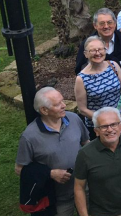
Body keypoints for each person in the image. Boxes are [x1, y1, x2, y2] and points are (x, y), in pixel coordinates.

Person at [16, 88, 89, 216]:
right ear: (44, 110)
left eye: (62, 101)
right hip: (57, 199)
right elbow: (20, 169)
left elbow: (86, 143)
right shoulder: (29, 136)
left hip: (84, 189)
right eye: (57, 104)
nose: (64, 105)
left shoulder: (74, 119)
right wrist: (50, 173)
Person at [74, 107, 121, 216]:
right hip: (102, 212)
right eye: (104, 126)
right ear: (96, 131)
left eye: (114, 124)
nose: (110, 129)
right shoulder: (85, 154)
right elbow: (79, 187)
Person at [76, 35, 121, 138]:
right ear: (85, 54)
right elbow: (82, 109)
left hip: (120, 121)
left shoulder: (114, 66)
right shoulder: (81, 79)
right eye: (93, 50)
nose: (98, 53)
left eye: (100, 49)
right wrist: (104, 120)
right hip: (99, 127)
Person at [75, 8, 121, 78]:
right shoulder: (88, 44)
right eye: (102, 23)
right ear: (95, 25)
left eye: (109, 22)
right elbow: (81, 71)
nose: (106, 26)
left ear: (115, 23)